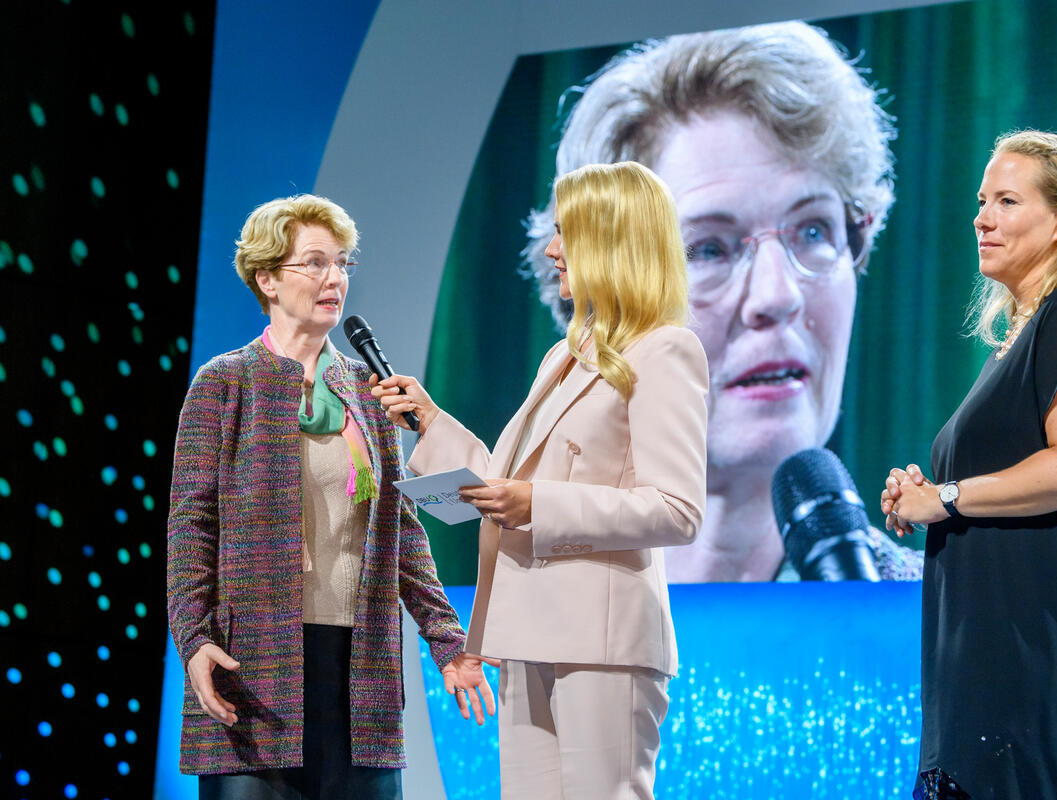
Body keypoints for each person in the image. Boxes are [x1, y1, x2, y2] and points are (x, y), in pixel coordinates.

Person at [522, 21, 920, 582]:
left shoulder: (946, 620)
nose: (777, 296)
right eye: (707, 248)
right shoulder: (503, 634)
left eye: (812, 231)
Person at [373, 161, 707, 798]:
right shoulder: (565, 353)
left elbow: (676, 509)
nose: (551, 248)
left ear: (611, 240)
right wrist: (432, 423)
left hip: (602, 639)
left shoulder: (666, 349)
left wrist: (539, 503)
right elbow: (504, 486)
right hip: (528, 629)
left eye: (565, 231)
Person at [166, 194, 494, 798]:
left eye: (342, 263)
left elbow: (403, 532)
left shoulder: (370, 393)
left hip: (358, 665)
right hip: (254, 666)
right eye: (314, 263)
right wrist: (194, 639)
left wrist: (448, 640)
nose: (334, 278)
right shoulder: (223, 384)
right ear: (266, 277)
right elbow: (191, 529)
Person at [880, 131, 1057, 799]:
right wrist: (924, 494)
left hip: (1043, 687)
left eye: (1006, 200)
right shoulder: (1022, 337)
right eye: (981, 201)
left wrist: (944, 496)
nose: (982, 217)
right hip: (986, 681)